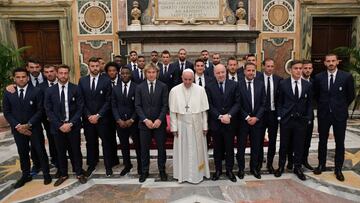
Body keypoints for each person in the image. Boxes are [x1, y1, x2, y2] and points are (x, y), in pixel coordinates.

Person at [3, 68, 51, 189]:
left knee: (40, 150)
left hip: (34, 128)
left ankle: (46, 174)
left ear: (28, 78)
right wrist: (18, 126)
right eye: (18, 77)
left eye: (23, 77)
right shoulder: (9, 92)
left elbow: (41, 110)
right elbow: (7, 112)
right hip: (18, 129)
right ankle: (25, 175)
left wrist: (29, 124)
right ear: (14, 79)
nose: (21, 79)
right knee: (23, 152)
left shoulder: (36, 91)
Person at [313, 53, 355, 181]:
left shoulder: (346, 77)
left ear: (337, 62)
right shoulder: (318, 77)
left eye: (333, 61)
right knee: (322, 141)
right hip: (324, 114)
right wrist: (323, 106)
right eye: (328, 61)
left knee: (340, 142)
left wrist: (340, 106)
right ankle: (321, 165)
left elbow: (350, 95)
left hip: (339, 115)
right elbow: (315, 95)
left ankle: (338, 169)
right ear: (325, 63)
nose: (331, 63)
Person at [44, 64, 87, 186]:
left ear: (69, 74)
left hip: (73, 126)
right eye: (61, 73)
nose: (63, 75)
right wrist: (59, 125)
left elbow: (80, 108)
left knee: (76, 151)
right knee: (60, 151)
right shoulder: (49, 91)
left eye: (65, 73)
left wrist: (71, 123)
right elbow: (48, 110)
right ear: (57, 74)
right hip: (57, 128)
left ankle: (79, 172)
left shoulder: (76, 88)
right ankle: (63, 174)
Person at [170, 69, 210, 183]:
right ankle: (183, 175)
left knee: (197, 151)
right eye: (185, 79)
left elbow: (204, 111)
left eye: (190, 79)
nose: (187, 82)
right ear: (182, 78)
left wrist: (205, 126)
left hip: (196, 124)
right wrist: (174, 128)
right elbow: (173, 112)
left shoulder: (200, 90)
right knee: (183, 151)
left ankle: (198, 174)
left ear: (193, 78)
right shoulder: (174, 90)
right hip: (181, 125)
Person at [274, 60, 313, 181]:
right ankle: (281, 166)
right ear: (290, 70)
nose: (298, 71)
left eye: (300, 68)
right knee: (284, 145)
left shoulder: (307, 85)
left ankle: (297, 167)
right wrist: (280, 116)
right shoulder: (283, 84)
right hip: (286, 120)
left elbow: (309, 103)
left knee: (299, 145)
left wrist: (307, 118)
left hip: (301, 121)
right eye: (296, 68)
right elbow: (279, 102)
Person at [78, 57, 116, 177]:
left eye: (96, 66)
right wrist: (89, 115)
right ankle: (92, 164)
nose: (95, 68)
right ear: (88, 67)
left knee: (106, 142)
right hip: (88, 119)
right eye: (92, 66)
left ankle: (108, 166)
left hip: (103, 118)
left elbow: (108, 100)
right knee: (91, 142)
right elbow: (81, 101)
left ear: (100, 66)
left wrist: (98, 115)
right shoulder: (82, 81)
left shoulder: (106, 80)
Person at [135, 63, 169, 182]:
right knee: (144, 149)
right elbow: (137, 106)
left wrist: (159, 119)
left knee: (161, 149)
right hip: (144, 124)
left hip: (159, 124)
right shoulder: (139, 87)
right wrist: (145, 120)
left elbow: (165, 105)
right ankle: (144, 172)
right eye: (149, 72)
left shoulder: (163, 86)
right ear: (145, 74)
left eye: (153, 72)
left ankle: (162, 170)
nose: (151, 74)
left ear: (157, 73)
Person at [206, 64, 239, 182]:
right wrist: (220, 116)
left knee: (230, 148)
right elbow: (209, 105)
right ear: (214, 74)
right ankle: (218, 170)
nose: (220, 75)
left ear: (226, 72)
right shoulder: (209, 86)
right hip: (216, 124)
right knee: (217, 149)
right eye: (218, 73)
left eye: (222, 72)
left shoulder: (234, 85)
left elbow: (237, 103)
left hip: (230, 123)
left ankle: (229, 170)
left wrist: (229, 115)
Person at [236, 62, 266, 179]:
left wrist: (256, 117)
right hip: (243, 122)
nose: (251, 73)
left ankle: (254, 168)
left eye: (253, 70)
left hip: (257, 121)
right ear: (244, 71)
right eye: (249, 70)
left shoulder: (261, 84)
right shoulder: (238, 84)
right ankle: (241, 169)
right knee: (241, 147)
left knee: (256, 146)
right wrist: (247, 117)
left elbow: (264, 104)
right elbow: (238, 104)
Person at [112, 66, 142, 176]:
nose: (125, 75)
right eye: (123, 73)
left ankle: (140, 166)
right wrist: (118, 120)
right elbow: (113, 106)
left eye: (127, 73)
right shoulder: (115, 88)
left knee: (138, 145)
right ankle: (127, 165)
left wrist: (132, 119)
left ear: (130, 75)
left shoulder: (137, 87)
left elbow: (138, 105)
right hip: (120, 122)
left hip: (133, 122)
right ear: (120, 75)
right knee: (124, 145)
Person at [257, 58, 282, 174]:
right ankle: (259, 161)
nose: (270, 68)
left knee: (272, 141)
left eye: (272, 66)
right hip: (260, 115)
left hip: (273, 114)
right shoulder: (257, 79)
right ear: (263, 67)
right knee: (259, 139)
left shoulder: (279, 80)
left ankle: (270, 163)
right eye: (268, 66)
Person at [38, 65, 59, 171]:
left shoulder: (63, 82)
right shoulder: (40, 87)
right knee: (52, 140)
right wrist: (48, 116)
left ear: (56, 72)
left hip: (64, 119)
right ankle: (55, 160)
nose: (49, 74)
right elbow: (41, 105)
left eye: (51, 71)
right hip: (48, 120)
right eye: (46, 72)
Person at [301, 60, 314, 170]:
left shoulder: (315, 82)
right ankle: (291, 160)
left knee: (307, 140)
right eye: (305, 68)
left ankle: (304, 160)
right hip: (295, 117)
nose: (307, 70)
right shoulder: (294, 81)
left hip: (308, 116)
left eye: (309, 68)